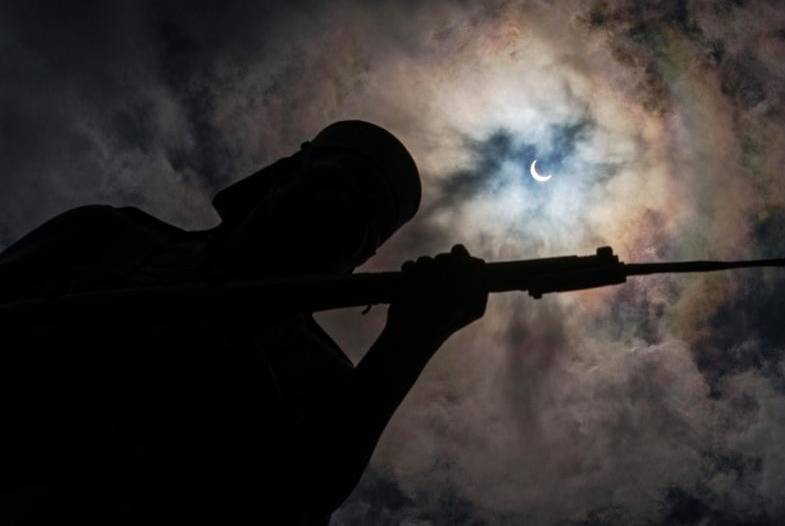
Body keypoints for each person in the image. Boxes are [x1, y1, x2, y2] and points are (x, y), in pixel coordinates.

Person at [0, 120, 488, 524]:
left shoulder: (322, 377)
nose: (336, 214)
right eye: (334, 183)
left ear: (360, 256)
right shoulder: (109, 236)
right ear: (281, 177)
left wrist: (409, 344)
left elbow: (293, 501)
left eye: (364, 221)